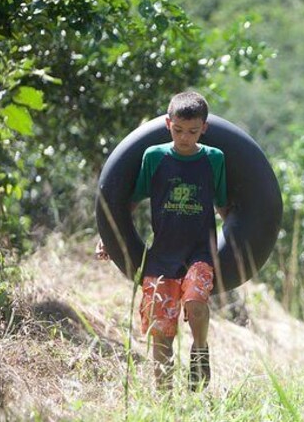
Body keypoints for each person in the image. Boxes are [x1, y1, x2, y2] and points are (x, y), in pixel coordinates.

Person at [96, 91, 229, 392]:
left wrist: (245, 235)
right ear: (168, 123)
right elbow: (131, 202)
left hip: (200, 253)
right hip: (162, 255)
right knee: (162, 332)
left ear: (204, 128)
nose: (185, 137)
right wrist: (109, 237)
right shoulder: (154, 157)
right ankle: (165, 401)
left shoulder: (214, 159)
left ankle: (200, 350)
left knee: (196, 303)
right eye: (178, 130)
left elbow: (223, 206)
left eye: (193, 131)